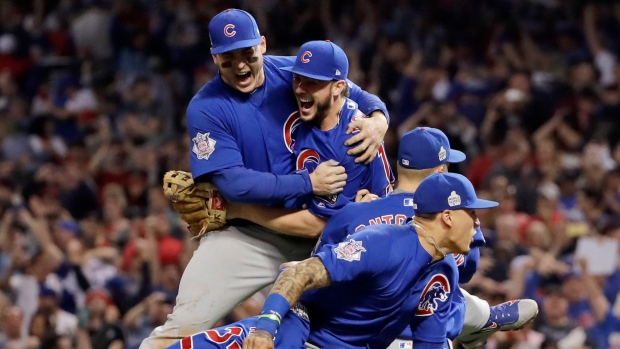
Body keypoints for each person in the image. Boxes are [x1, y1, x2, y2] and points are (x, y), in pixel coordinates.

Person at [140, 8, 390, 349]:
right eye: (229, 59)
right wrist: (308, 183)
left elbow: (350, 91)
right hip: (249, 236)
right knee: (181, 327)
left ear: (262, 44)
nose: (241, 66)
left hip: (319, 233)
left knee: (365, 322)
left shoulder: (291, 72)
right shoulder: (207, 107)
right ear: (215, 57)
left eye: (248, 54)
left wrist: (379, 119)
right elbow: (234, 185)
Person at [165, 172, 499, 349]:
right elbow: (299, 274)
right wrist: (266, 329)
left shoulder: (444, 272)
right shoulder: (382, 242)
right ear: (448, 217)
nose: (478, 221)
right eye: (472, 212)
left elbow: (429, 342)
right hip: (299, 329)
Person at [314, 127, 539, 349]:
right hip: (424, 337)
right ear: (441, 170)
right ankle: (482, 319)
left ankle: (481, 319)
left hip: (353, 337)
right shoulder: (454, 218)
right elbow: (467, 271)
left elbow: (317, 273)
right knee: (439, 281)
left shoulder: (352, 213)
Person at [224, 40, 393, 234]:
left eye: (312, 82)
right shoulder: (324, 113)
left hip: (356, 243)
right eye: (297, 78)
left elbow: (317, 226)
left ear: (338, 87)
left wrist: (239, 210)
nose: (299, 88)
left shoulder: (350, 142)